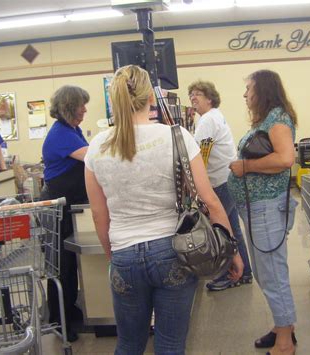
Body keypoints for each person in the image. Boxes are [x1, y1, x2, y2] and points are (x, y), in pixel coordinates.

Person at [84, 65, 243, 355]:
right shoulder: (178, 136)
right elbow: (209, 200)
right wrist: (230, 250)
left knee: (129, 344)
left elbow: (99, 214)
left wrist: (114, 257)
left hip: (124, 253)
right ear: (152, 99)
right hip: (174, 251)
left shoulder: (96, 147)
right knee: (171, 345)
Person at [228, 69, 298, 355]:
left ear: (263, 90)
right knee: (266, 273)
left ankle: (285, 343)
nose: (245, 94)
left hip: (266, 209)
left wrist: (246, 167)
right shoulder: (269, 119)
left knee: (272, 274)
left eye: (249, 89)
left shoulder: (277, 119)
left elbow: (285, 158)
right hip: (258, 209)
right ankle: (283, 327)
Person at [188, 80, 253, 291]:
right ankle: (244, 273)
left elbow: (199, 156)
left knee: (220, 231)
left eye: (197, 94)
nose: (193, 98)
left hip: (219, 183)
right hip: (228, 179)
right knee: (232, 229)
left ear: (209, 98)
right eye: (191, 95)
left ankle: (228, 274)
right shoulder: (215, 116)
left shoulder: (207, 120)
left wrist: (194, 184)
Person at [41, 85, 90, 342]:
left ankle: (69, 310)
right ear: (70, 107)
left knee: (69, 263)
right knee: (61, 265)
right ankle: (59, 320)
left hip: (68, 204)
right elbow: (91, 157)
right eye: (81, 105)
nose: (85, 109)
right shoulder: (61, 134)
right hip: (57, 207)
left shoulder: (73, 130)